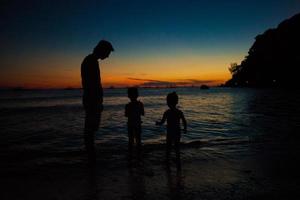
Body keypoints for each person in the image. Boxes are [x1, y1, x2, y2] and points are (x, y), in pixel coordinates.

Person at [81, 40, 114, 162]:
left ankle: (91, 153)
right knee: (90, 128)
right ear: (102, 50)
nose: (108, 56)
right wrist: (97, 101)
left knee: (91, 128)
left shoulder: (91, 61)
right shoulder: (91, 61)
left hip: (91, 99)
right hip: (92, 100)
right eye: (108, 52)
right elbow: (92, 84)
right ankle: (91, 155)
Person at [156, 92, 187, 168]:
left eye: (167, 101)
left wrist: (158, 123)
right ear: (176, 102)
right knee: (177, 148)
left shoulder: (167, 112)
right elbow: (184, 121)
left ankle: (167, 161)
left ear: (168, 102)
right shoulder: (179, 112)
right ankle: (178, 161)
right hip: (177, 132)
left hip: (170, 133)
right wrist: (185, 128)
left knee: (168, 147)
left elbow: (162, 122)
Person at [125, 87, 144, 159]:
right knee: (138, 139)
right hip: (138, 124)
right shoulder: (140, 104)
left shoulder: (127, 106)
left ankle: (130, 154)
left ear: (128, 96)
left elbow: (126, 115)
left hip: (130, 124)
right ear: (137, 95)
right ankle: (139, 153)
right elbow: (142, 113)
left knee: (131, 140)